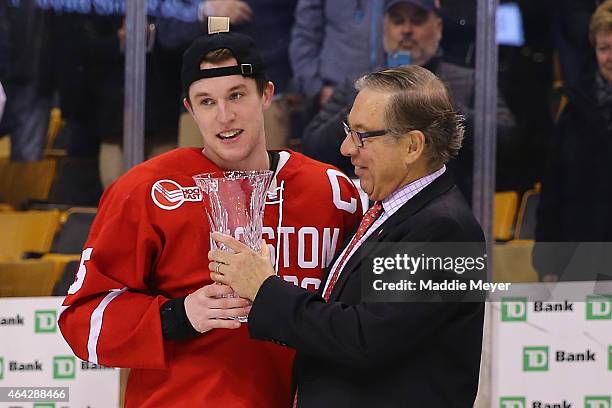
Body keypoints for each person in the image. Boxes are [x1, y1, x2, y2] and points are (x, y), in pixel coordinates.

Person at [58, 25, 362, 407]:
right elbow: (82, 321)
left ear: (266, 95)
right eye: (206, 101)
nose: (224, 116)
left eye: (236, 95)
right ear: (189, 108)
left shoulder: (332, 192)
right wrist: (179, 315)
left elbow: (364, 322)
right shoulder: (145, 191)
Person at [209, 65, 486, 407]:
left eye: (362, 135)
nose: (345, 148)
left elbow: (363, 338)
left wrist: (265, 288)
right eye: (348, 130)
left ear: (413, 146)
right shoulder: (390, 212)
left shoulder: (444, 231)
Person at [302, 0, 517, 199]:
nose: (406, 30)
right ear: (384, 27)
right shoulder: (358, 86)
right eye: (398, 21)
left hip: (444, 201)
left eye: (417, 20)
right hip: (368, 207)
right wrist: (363, 106)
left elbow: (506, 141)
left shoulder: (468, 81)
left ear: (438, 27)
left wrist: (440, 102)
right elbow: (313, 148)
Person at [534, 0, 612, 282]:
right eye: (604, 48)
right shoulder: (575, 109)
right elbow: (553, 189)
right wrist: (548, 265)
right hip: (579, 262)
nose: (610, 57)